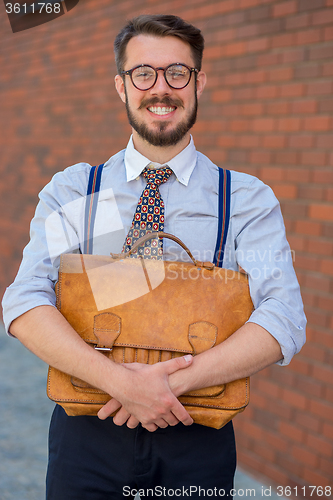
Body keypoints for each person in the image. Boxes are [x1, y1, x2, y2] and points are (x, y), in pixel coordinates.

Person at [2, 14, 306, 500]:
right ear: (121, 86)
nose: (160, 88)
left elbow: (285, 318)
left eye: (177, 73)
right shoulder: (74, 190)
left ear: (199, 82)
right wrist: (120, 383)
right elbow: (23, 302)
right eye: (143, 73)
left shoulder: (247, 199)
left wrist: (165, 387)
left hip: (197, 439)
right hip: (87, 437)